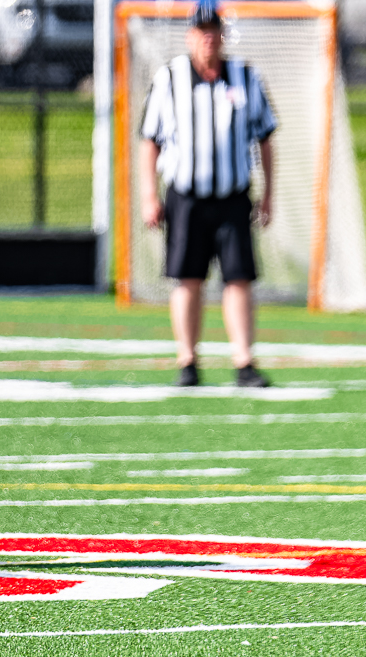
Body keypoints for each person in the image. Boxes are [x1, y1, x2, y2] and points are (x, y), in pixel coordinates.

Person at [139, 0, 276, 388]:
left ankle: (244, 361)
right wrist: (150, 195)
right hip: (186, 196)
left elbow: (265, 136)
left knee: (239, 279)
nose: (208, 38)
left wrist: (268, 193)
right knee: (187, 278)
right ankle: (188, 361)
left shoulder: (245, 77)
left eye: (214, 30)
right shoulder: (170, 78)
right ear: (190, 35)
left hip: (233, 195)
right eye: (201, 31)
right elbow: (150, 140)